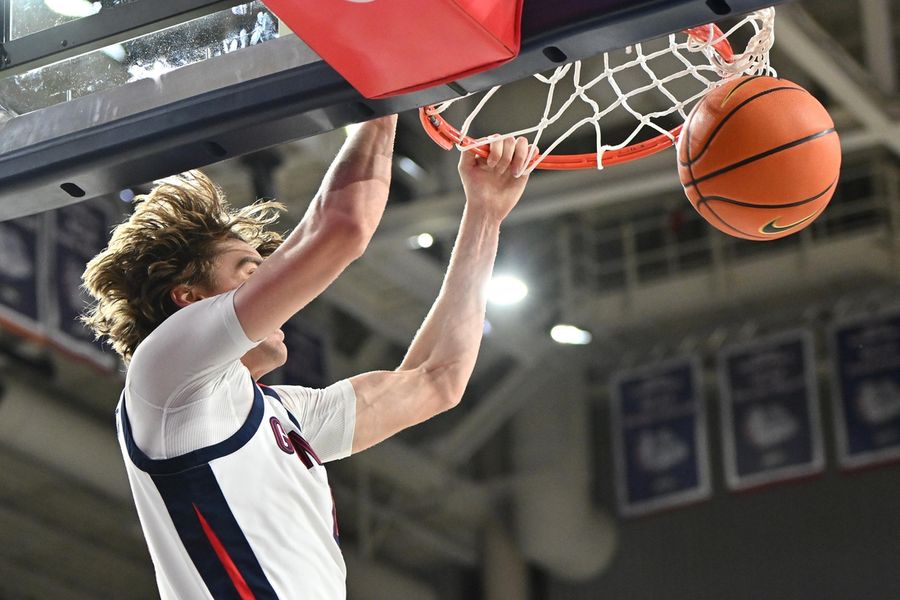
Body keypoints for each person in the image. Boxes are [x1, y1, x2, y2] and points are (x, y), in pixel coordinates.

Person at [82, 114, 533, 599]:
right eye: (248, 269)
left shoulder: (285, 413)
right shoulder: (166, 374)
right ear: (190, 299)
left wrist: (485, 213)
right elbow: (342, 227)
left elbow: (437, 380)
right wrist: (384, 97)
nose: (268, 282)